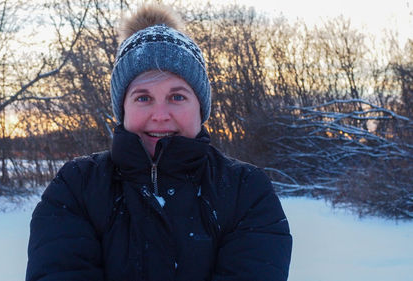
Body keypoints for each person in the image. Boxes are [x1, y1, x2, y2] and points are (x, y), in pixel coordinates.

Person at [26, 3, 292, 281]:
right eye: (143, 98)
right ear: (123, 110)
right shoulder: (77, 186)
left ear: (200, 108)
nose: (161, 116)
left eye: (177, 97)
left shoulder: (245, 190)